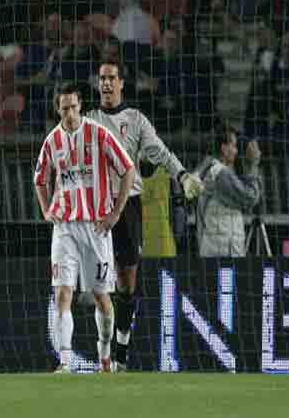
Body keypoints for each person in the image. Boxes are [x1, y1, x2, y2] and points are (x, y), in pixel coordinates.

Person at [85, 59, 203, 371]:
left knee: (127, 281)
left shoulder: (136, 119)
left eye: (112, 78)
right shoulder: (88, 120)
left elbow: (160, 153)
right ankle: (91, 353)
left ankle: (120, 351)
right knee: (93, 285)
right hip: (95, 207)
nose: (107, 84)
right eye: (102, 78)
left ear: (122, 83)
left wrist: (183, 177)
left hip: (129, 207)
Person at [34, 82, 136, 373]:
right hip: (65, 227)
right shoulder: (52, 141)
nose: (69, 113)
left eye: (73, 107)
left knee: (103, 298)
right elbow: (39, 179)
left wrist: (116, 212)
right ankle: (65, 360)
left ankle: (105, 355)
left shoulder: (98, 134)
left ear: (81, 106)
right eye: (64, 108)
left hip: (97, 228)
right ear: (58, 109)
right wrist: (46, 209)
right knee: (62, 293)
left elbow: (127, 168)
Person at [196, 125, 262, 258]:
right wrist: (254, 164)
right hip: (222, 253)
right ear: (224, 148)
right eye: (234, 146)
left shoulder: (211, 168)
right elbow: (250, 198)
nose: (237, 151)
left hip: (217, 250)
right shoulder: (220, 173)